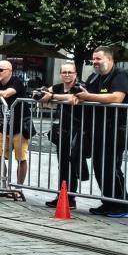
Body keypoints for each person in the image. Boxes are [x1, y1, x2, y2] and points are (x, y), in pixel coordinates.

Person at [77, 45, 128, 216]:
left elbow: (117, 97)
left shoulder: (120, 75)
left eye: (98, 58)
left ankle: (122, 205)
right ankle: (108, 201)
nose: (95, 62)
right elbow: (84, 91)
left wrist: (88, 97)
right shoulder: (95, 77)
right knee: (99, 167)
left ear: (109, 59)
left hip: (115, 130)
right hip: (97, 130)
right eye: (93, 59)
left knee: (111, 167)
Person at [35, 60, 87, 207]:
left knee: (72, 164)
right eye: (64, 72)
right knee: (63, 165)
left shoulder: (80, 86)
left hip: (78, 131)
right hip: (63, 131)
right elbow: (43, 95)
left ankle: (70, 198)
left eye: (70, 72)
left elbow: (72, 98)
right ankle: (62, 195)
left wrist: (52, 96)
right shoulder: (58, 87)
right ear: (60, 74)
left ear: (75, 74)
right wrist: (45, 94)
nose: (67, 75)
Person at [0, 58, 31, 198]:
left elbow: (6, 93)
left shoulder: (17, 81)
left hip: (20, 125)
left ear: (9, 71)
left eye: (0, 70)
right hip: (5, 126)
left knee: (20, 158)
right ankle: (4, 185)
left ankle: (18, 188)